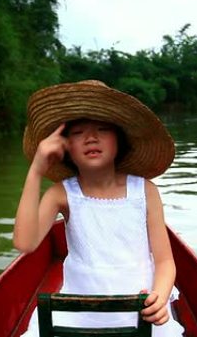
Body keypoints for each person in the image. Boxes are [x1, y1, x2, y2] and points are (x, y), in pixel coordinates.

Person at [14, 80, 185, 336]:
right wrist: (36, 170)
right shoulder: (61, 193)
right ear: (65, 147)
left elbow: (164, 261)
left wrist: (159, 296)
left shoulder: (145, 191)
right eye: (78, 132)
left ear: (119, 139)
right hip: (79, 311)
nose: (91, 138)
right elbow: (25, 243)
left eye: (103, 129)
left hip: (139, 306)